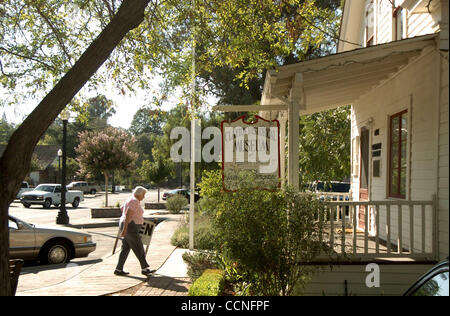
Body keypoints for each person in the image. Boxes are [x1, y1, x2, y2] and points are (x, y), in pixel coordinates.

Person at [114, 186, 155, 276]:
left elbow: (122, 208)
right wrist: (125, 229)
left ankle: (118, 269)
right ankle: (144, 268)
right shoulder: (134, 201)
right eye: (143, 195)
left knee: (125, 248)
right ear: (139, 194)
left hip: (128, 226)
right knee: (139, 247)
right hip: (130, 227)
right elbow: (128, 214)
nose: (144, 197)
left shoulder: (131, 199)